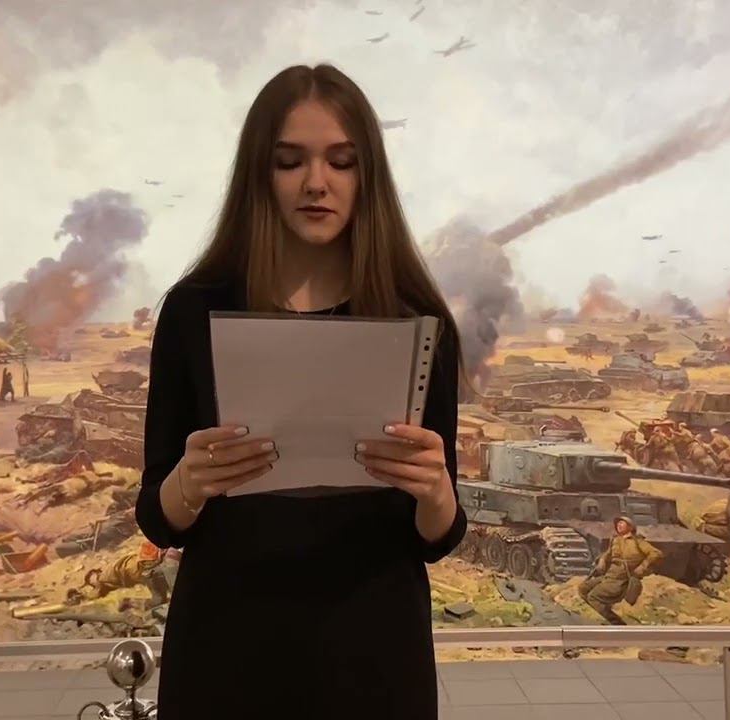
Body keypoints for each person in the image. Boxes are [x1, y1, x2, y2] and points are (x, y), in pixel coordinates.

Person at [134, 64, 468, 719]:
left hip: (373, 648)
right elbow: (156, 514)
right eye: (290, 161)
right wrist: (189, 483)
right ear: (259, 174)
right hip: (226, 647)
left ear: (368, 175)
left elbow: (437, 536)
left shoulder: (417, 317)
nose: (317, 182)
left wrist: (435, 491)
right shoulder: (193, 308)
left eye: (341, 161)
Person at [578, 516, 663, 625]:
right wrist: (602, 560)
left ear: (630, 527)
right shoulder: (615, 540)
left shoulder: (637, 541)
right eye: (617, 523)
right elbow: (608, 554)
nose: (618, 525)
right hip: (609, 576)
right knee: (583, 588)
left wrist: (642, 566)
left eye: (622, 523)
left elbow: (656, 553)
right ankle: (605, 612)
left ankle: (616, 623)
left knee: (593, 597)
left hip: (621, 579)